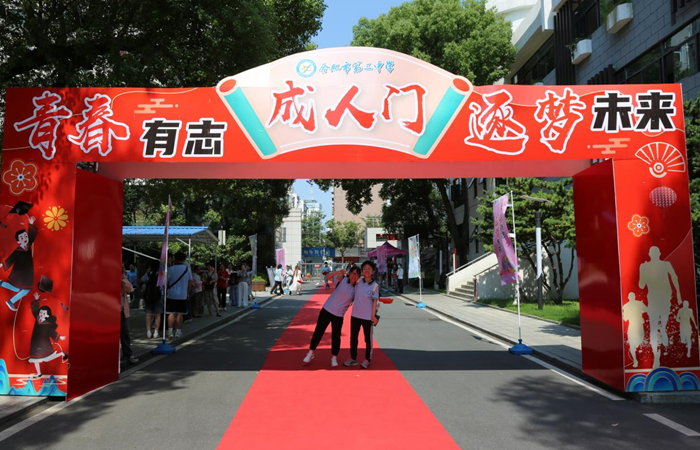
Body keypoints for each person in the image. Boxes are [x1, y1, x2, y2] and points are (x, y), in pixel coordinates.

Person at [303, 266, 361, 367]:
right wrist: (338, 272)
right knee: (319, 331)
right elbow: (327, 277)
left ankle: (334, 357)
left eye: (356, 274)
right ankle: (310, 352)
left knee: (336, 336)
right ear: (349, 273)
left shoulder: (357, 289)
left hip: (338, 315)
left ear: (359, 276)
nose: (354, 276)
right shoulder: (342, 279)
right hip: (327, 310)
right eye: (352, 273)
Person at [638, 246, 681, 368]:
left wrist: (678, 293)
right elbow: (642, 285)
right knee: (656, 327)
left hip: (661, 298)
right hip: (656, 299)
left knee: (658, 324)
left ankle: (661, 334)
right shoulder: (647, 266)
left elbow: (674, 277)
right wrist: (642, 271)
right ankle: (657, 356)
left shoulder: (664, 265)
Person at [344, 260, 380, 369]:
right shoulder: (358, 281)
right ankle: (353, 358)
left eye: (369, 269)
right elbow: (350, 278)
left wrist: (373, 316)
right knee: (353, 338)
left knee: (367, 339)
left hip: (367, 317)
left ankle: (367, 359)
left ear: (373, 271)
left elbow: (375, 302)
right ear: (362, 271)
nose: (367, 271)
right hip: (355, 315)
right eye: (365, 269)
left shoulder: (375, 286)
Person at [1, 216, 37, 312]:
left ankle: (2, 284)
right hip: (19, 274)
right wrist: (2, 265)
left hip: (26, 274)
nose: (24, 238)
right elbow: (11, 259)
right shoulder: (18, 250)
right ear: (18, 241)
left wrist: (31, 224)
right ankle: (10, 301)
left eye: (25, 236)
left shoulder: (28, 246)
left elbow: (32, 236)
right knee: (25, 289)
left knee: (19, 289)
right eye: (22, 237)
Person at [29, 292, 68, 377]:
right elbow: (34, 310)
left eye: (43, 313)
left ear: (47, 315)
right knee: (35, 359)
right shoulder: (37, 318)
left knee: (47, 358)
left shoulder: (48, 324)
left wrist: (59, 337)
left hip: (43, 344)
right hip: (35, 342)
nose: (41, 314)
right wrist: (36, 300)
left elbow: (52, 332)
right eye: (41, 312)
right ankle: (39, 373)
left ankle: (61, 354)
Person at [165, 252, 193, 338]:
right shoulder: (187, 269)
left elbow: (165, 282)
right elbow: (190, 282)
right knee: (180, 314)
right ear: (184, 259)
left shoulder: (170, 269)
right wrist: (187, 292)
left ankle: (170, 331)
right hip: (182, 295)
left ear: (174, 258)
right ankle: (178, 331)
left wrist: (165, 292)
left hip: (171, 294)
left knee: (170, 313)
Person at [622, 292, 647, 368]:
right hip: (632, 326)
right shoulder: (625, 306)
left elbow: (646, 309)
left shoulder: (639, 303)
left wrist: (641, 313)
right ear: (628, 297)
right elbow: (625, 318)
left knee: (640, 338)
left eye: (633, 296)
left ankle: (636, 344)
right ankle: (635, 361)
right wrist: (623, 315)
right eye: (630, 296)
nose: (631, 297)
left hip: (639, 324)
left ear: (635, 297)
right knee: (631, 345)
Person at [120, 266, 138, 364]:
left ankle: (127, 354)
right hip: (113, 311)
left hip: (123, 310)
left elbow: (129, 287)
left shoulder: (123, 281)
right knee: (123, 333)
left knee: (125, 333)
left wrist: (123, 277)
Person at [144, 260, 163, 339]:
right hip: (158, 296)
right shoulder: (161, 275)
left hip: (148, 296)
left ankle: (148, 332)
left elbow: (142, 280)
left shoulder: (148, 274)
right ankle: (156, 332)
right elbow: (163, 285)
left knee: (148, 314)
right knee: (157, 314)